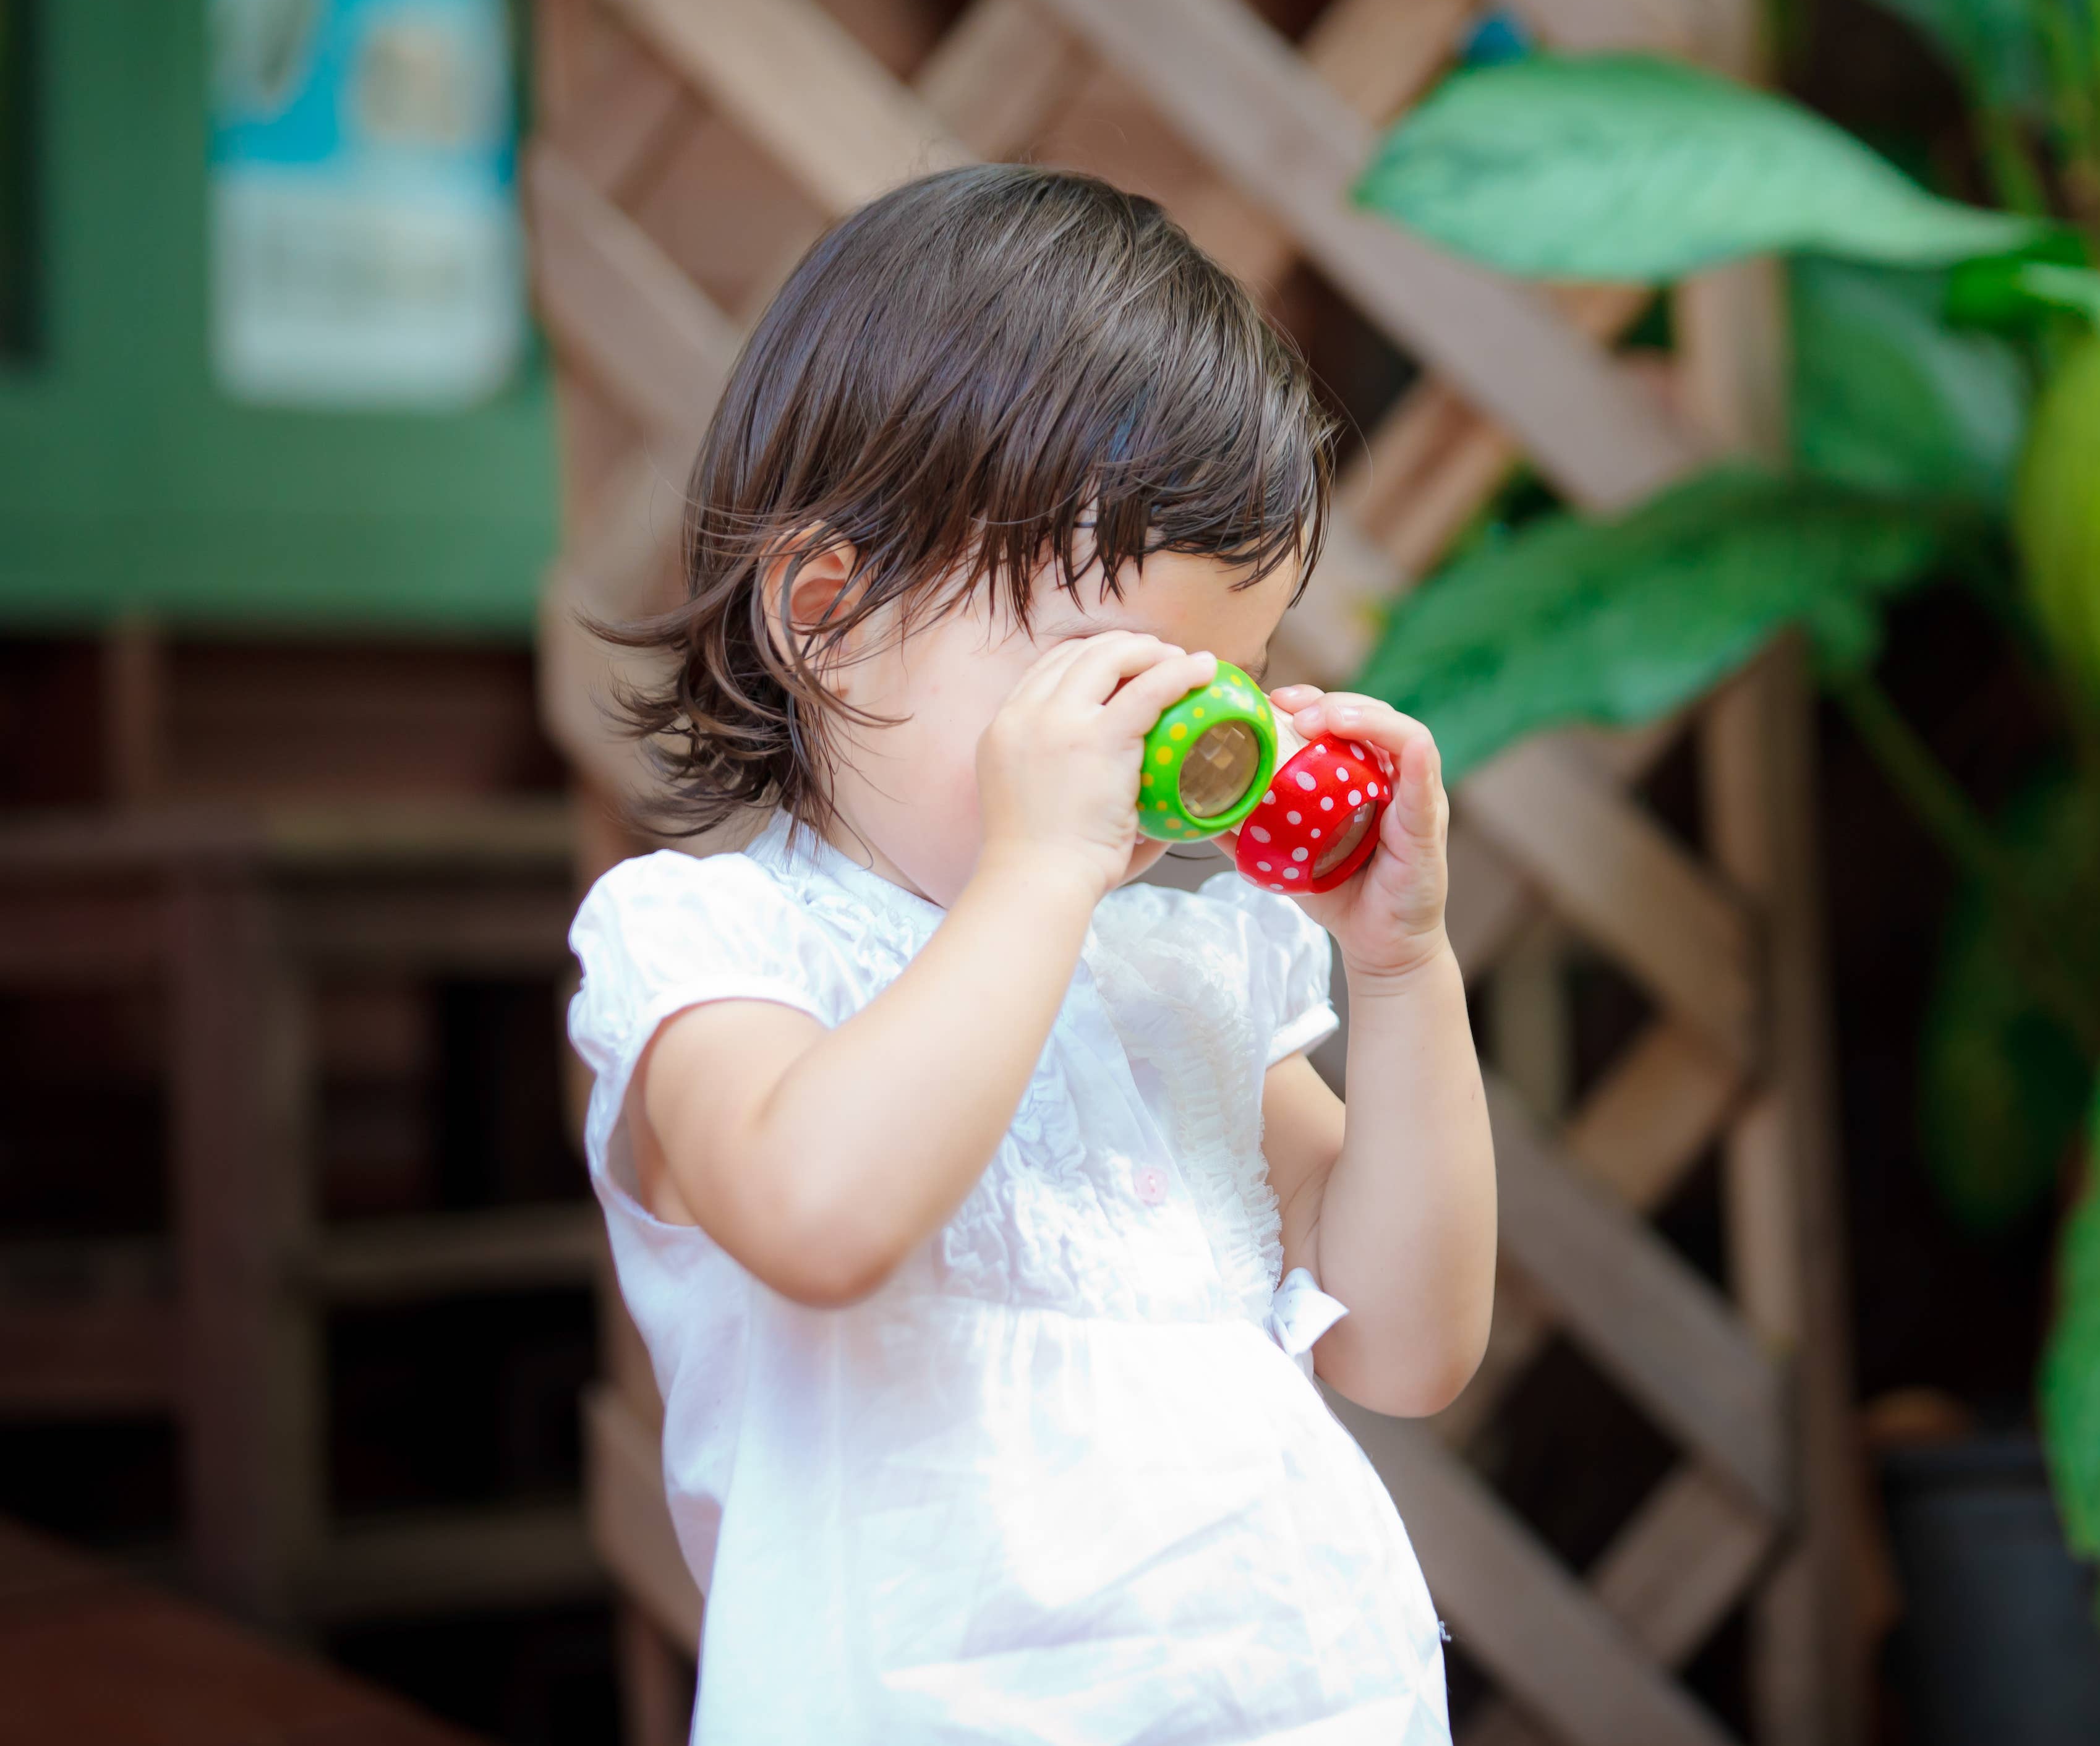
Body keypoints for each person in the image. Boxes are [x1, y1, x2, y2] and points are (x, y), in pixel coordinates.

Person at [565, 166, 1493, 1743]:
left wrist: (1402, 973)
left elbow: (1405, 1348)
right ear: (828, 615)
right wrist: (1039, 872)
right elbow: (821, 1214)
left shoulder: (1185, 983)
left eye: (1232, 682)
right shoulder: (718, 950)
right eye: (1116, 676)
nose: (1174, 754)